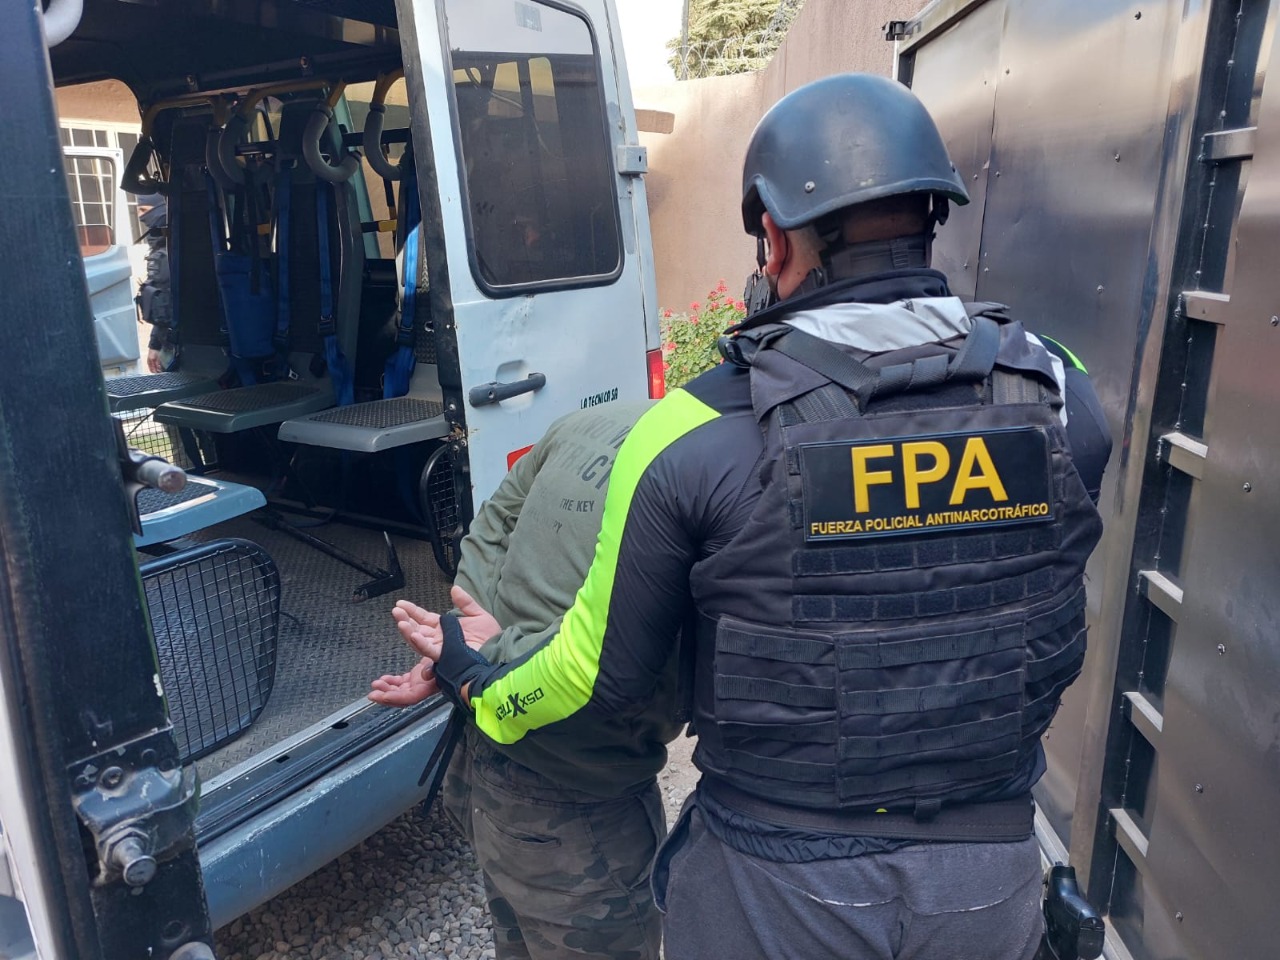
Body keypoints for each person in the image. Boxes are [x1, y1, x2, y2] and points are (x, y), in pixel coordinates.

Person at [412, 73, 1113, 960]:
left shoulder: (693, 432)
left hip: (775, 885)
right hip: (986, 876)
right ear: (933, 215)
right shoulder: (1059, 390)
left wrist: (479, 681)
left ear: (773, 239)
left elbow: (595, 678)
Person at [369, 401, 681, 960]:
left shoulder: (591, 421)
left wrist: (466, 653)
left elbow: (493, 521)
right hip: (577, 799)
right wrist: (482, 654)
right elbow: (630, 647)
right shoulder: (727, 471)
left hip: (482, 764)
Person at [135, 192, 177, 373]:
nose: (141, 217)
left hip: (175, 342)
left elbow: (164, 309)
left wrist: (154, 346)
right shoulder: (170, 246)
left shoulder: (165, 255)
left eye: (144, 210)